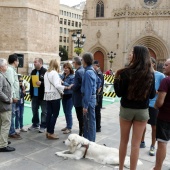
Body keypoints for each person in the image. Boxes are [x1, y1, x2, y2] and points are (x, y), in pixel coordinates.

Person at [114, 46, 156, 170]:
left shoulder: (125, 72)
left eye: (132, 52)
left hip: (127, 109)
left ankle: (121, 168)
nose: (130, 54)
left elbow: (119, 93)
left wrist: (116, 79)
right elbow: (153, 94)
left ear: (137, 55)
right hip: (142, 111)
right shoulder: (150, 74)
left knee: (123, 141)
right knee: (136, 145)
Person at [140, 57, 165, 156]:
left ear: (154, 64)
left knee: (154, 126)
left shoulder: (160, 75)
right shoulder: (144, 74)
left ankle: (152, 145)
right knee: (142, 124)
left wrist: (157, 92)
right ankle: (141, 142)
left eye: (149, 63)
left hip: (154, 104)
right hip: (144, 103)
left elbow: (164, 90)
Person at [44, 59, 69, 139]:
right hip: (54, 95)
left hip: (47, 95)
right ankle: (51, 132)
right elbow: (57, 85)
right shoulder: (54, 73)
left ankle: (48, 131)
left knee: (49, 114)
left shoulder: (46, 73)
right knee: (55, 114)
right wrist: (66, 87)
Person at [153, 59, 170, 170]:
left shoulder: (166, 81)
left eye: (166, 65)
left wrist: (155, 106)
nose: (163, 66)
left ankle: (157, 168)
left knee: (162, 143)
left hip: (165, 118)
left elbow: (160, 102)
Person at [81, 52, 98, 142]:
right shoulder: (92, 70)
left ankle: (90, 141)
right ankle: (89, 140)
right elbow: (98, 82)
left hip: (89, 99)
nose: (81, 61)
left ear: (85, 60)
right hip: (92, 98)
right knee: (90, 120)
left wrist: (85, 105)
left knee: (90, 121)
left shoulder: (88, 72)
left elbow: (88, 90)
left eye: (82, 59)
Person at [5, 54, 21, 139]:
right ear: (15, 61)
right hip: (12, 97)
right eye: (18, 61)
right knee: (11, 114)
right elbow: (10, 84)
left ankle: (12, 130)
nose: (18, 62)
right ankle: (11, 132)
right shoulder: (10, 70)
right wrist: (14, 96)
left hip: (12, 96)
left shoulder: (11, 70)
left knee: (12, 114)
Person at [0, 58, 15, 152]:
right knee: (6, 124)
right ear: (1, 67)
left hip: (2, 106)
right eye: (6, 65)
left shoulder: (2, 75)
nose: (7, 66)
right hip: (4, 105)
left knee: (2, 124)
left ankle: (2, 140)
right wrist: (8, 100)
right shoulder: (0, 76)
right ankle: (2, 145)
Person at [29, 58, 47, 133]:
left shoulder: (45, 71)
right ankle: (35, 124)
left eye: (35, 62)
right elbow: (31, 83)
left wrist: (41, 83)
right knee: (34, 110)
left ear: (40, 63)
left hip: (42, 95)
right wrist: (31, 94)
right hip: (34, 95)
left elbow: (48, 83)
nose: (34, 63)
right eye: (34, 62)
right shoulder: (33, 71)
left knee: (44, 111)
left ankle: (43, 125)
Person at [71, 57, 84, 136]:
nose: (72, 64)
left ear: (75, 63)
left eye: (73, 62)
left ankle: (81, 132)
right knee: (82, 116)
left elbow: (76, 86)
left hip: (78, 97)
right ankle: (82, 131)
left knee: (80, 116)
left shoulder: (78, 72)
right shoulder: (83, 70)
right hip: (82, 97)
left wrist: (71, 86)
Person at [60, 63, 74, 134]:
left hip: (70, 96)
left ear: (70, 69)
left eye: (67, 68)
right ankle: (67, 125)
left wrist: (63, 82)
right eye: (64, 68)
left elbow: (71, 86)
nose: (65, 69)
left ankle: (69, 127)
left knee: (68, 112)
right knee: (65, 112)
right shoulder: (63, 75)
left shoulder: (72, 77)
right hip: (64, 96)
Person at [93, 60, 104, 132]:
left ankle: (98, 127)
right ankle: (96, 126)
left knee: (97, 111)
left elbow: (99, 86)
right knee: (96, 112)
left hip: (98, 96)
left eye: (93, 65)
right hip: (97, 95)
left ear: (96, 66)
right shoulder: (97, 73)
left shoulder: (99, 74)